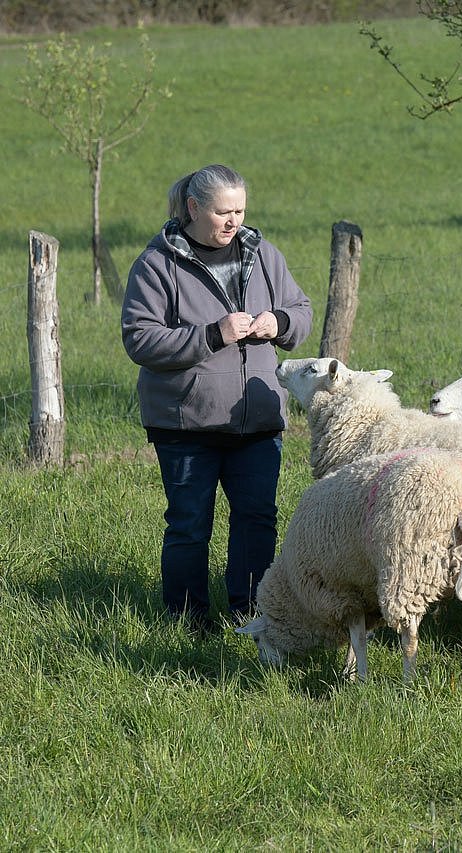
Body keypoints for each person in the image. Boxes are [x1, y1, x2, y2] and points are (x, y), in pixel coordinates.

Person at [121, 164, 312, 634]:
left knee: (258, 519)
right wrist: (211, 335)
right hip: (188, 425)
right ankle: (187, 621)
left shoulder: (263, 253)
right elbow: (139, 339)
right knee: (189, 525)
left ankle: (252, 615)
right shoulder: (157, 264)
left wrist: (280, 324)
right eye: (223, 212)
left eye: (240, 211)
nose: (234, 222)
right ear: (193, 208)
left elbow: (302, 311)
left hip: (258, 419)